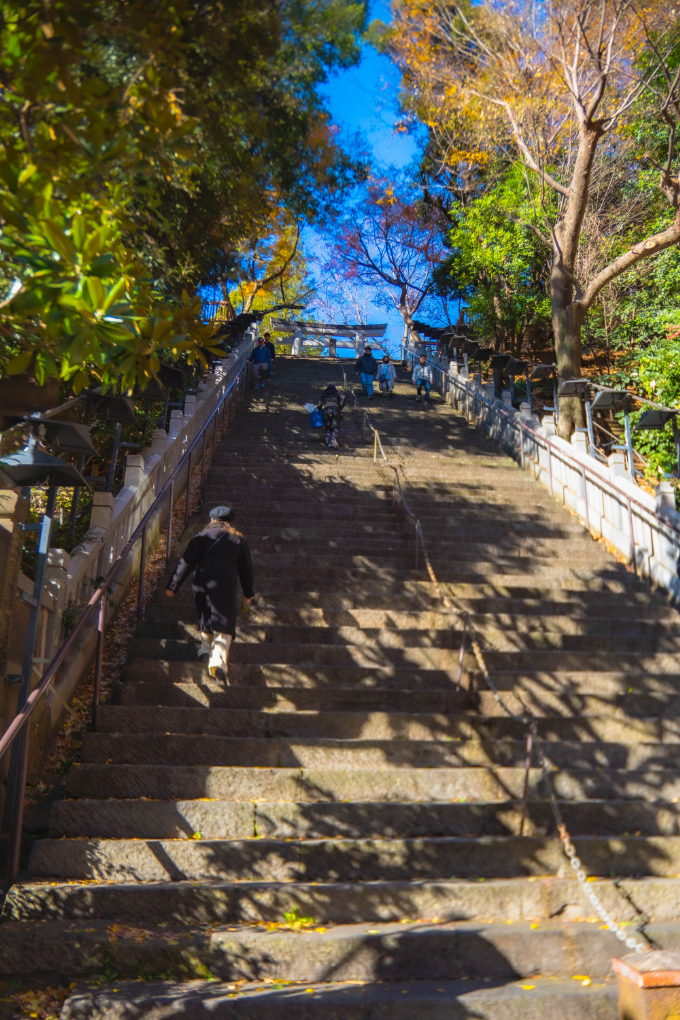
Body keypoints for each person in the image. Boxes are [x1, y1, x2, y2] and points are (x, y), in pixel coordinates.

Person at [165, 506, 254, 684]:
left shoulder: (201, 537)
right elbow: (246, 570)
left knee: (205, 615)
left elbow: (186, 562)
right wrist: (248, 593)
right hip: (225, 586)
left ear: (212, 520)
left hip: (202, 584)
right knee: (223, 623)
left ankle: (205, 651)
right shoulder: (237, 540)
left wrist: (173, 585)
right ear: (231, 522)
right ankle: (218, 663)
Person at [317, 383, 346, 449]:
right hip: (336, 410)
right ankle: (334, 436)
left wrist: (319, 409)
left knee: (327, 427)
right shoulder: (337, 393)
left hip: (326, 411)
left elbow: (319, 404)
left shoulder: (324, 393)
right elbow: (344, 397)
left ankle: (328, 442)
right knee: (336, 426)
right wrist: (340, 406)